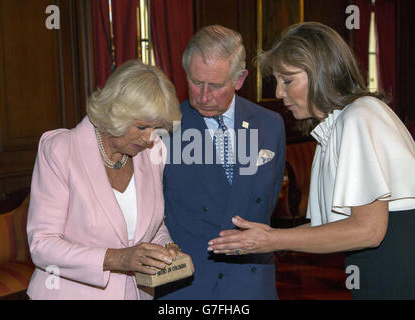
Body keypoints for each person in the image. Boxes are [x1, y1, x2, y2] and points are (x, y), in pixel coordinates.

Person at [207, 22, 415, 299]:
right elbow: (329, 227)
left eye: (288, 80)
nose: (280, 93)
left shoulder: (360, 117)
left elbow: (369, 231)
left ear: (321, 74)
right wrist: (269, 236)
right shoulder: (339, 126)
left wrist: (272, 239)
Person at [26, 60, 188, 300]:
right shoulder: (61, 150)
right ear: (116, 113)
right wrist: (119, 258)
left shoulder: (154, 153)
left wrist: (168, 248)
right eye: (142, 126)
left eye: (157, 128)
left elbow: (150, 227)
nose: (149, 138)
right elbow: (43, 245)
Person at [156, 25, 286, 300]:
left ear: (239, 79)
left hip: (251, 284)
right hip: (187, 287)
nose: (203, 96)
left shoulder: (270, 125)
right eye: (195, 81)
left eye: (215, 85)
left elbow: (268, 201)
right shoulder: (164, 128)